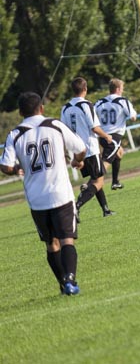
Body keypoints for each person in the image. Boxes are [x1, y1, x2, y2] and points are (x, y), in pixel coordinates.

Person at [0, 92, 86, 295]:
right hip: (60, 194)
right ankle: (70, 280)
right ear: (42, 108)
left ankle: (62, 284)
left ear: (20, 112)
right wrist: (77, 160)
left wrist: (17, 168)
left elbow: (5, 166)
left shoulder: (15, 134)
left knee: (51, 244)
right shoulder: (54, 125)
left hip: (37, 199)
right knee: (67, 239)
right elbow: (81, 148)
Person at [60, 77, 115, 218]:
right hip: (90, 149)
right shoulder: (86, 105)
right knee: (98, 181)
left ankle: (105, 209)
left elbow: (64, 132)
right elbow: (94, 127)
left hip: (77, 151)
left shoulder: (65, 108)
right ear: (85, 89)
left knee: (95, 179)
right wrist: (107, 136)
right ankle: (76, 206)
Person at [95, 78, 137, 190]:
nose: (122, 91)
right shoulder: (123, 101)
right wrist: (130, 115)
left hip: (102, 136)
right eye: (122, 88)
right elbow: (133, 117)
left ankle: (115, 181)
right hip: (113, 137)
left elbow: (92, 116)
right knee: (106, 162)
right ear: (118, 89)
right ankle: (91, 183)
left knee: (119, 153)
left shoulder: (100, 102)